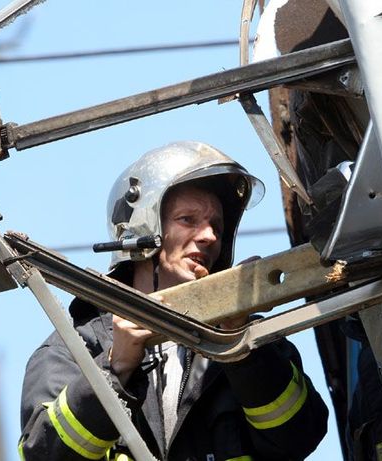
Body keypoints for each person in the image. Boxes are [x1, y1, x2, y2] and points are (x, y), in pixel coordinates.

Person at [19, 141, 329, 461]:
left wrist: (239, 347)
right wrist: (115, 369)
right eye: (188, 219)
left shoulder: (250, 342)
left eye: (217, 227)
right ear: (141, 231)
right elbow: (44, 456)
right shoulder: (73, 350)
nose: (209, 236)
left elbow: (299, 436)